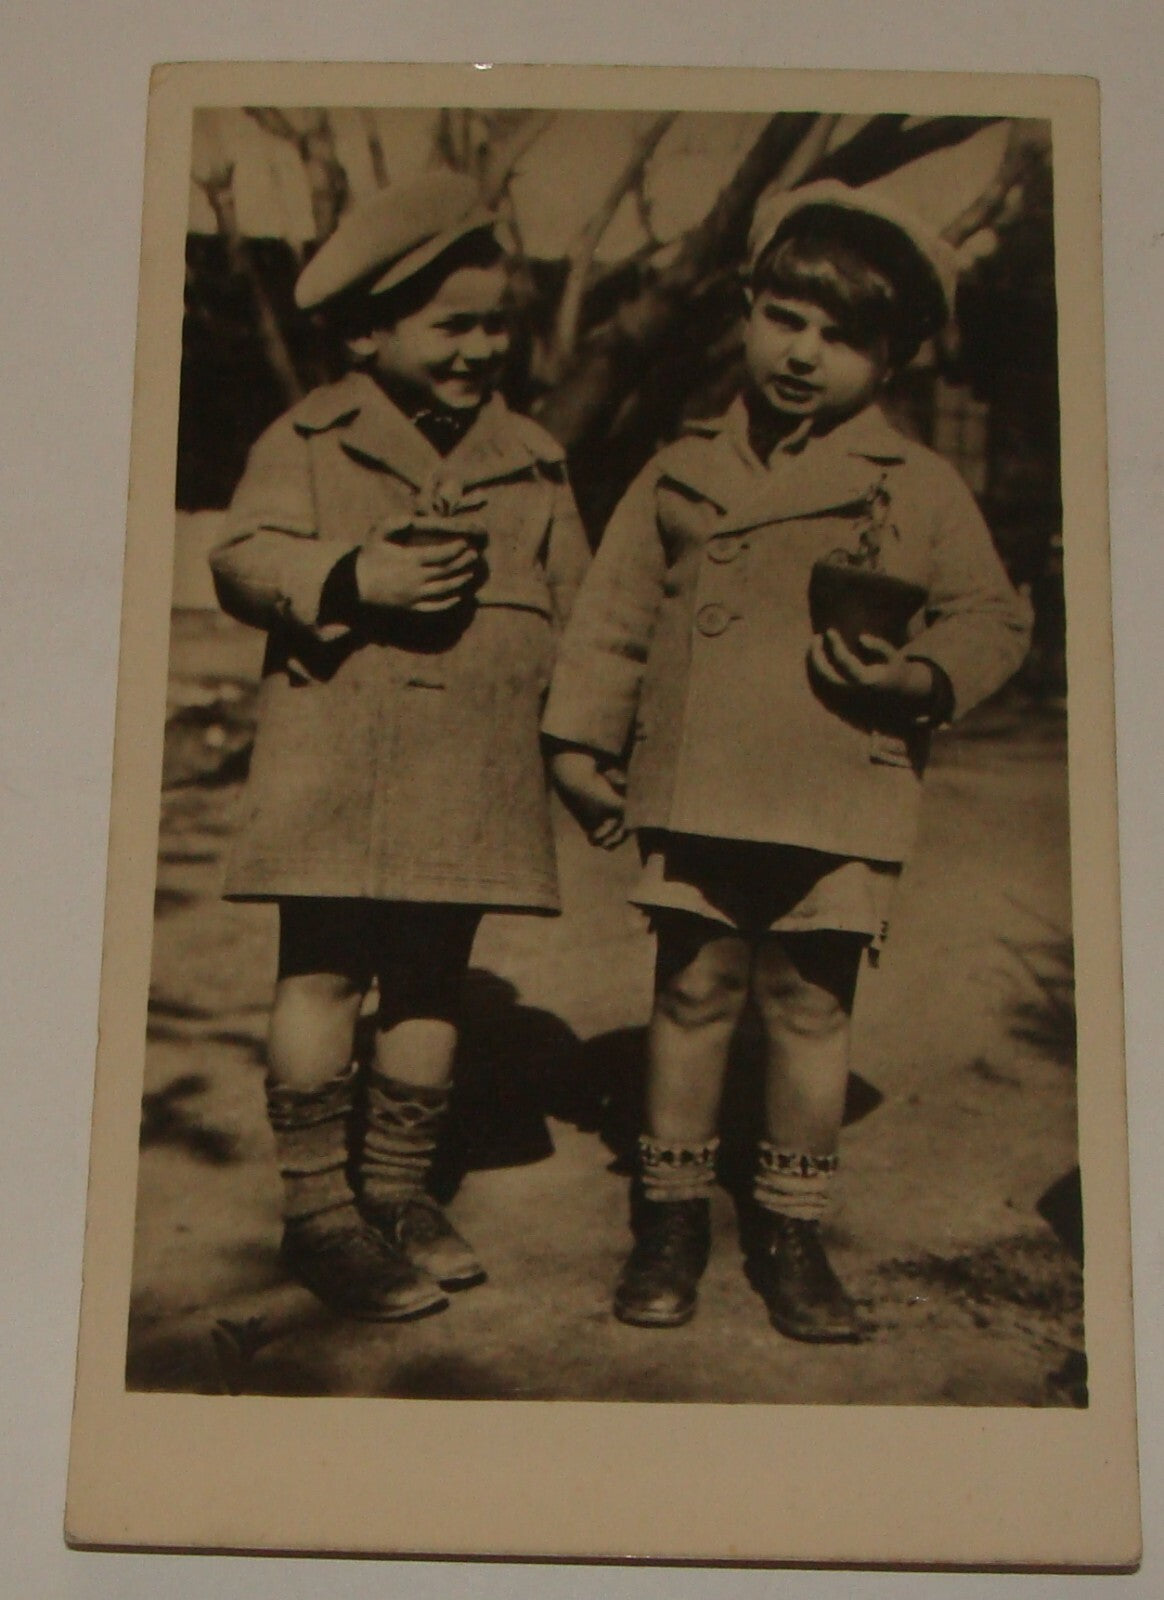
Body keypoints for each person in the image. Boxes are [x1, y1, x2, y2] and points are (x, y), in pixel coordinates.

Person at [543, 180, 1031, 1342]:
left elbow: (994, 618)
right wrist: (578, 741)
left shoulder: (915, 486)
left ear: (896, 359)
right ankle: (669, 1218)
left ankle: (794, 1229)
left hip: (837, 784)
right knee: (695, 988)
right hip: (701, 782)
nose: (805, 355)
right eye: (785, 320)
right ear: (748, 310)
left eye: (846, 338)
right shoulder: (679, 469)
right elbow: (615, 618)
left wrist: (919, 681)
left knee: (811, 1010)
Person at [210, 171, 590, 1322]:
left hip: (465, 768)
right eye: (452, 324)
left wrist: (587, 743)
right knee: (322, 971)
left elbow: (582, 614)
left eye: (497, 325)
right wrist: (350, 574)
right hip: (336, 757)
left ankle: (397, 1190)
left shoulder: (532, 459)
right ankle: (319, 1209)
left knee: (432, 977)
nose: (481, 348)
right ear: (371, 329)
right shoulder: (311, 436)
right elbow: (239, 557)